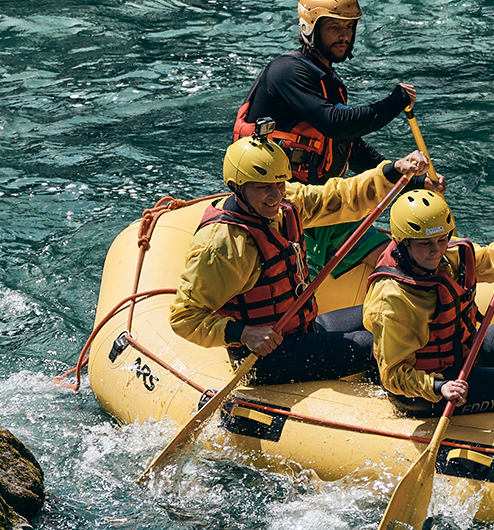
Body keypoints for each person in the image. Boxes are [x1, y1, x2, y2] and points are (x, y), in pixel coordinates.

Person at [170, 132, 434, 385]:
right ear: (237, 187)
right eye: (263, 187)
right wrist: (244, 334)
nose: (275, 195)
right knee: (372, 345)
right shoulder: (222, 246)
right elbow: (184, 317)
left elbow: (340, 196)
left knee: (393, 313)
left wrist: (393, 170)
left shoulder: (286, 205)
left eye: (279, 183)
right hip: (263, 357)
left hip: (302, 328)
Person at [363, 191, 494, 417]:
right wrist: (439, 386)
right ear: (403, 242)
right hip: (427, 391)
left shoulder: (449, 256)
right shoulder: (393, 299)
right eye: (425, 244)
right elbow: (393, 374)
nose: (436, 251)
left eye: (442, 240)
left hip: (462, 355)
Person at [233, 0, 416, 186]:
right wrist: (395, 102)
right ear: (309, 27)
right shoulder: (287, 71)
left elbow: (349, 147)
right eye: (334, 27)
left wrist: (407, 179)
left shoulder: (329, 80)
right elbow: (334, 124)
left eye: (349, 27)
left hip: (310, 194)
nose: (344, 36)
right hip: (269, 193)